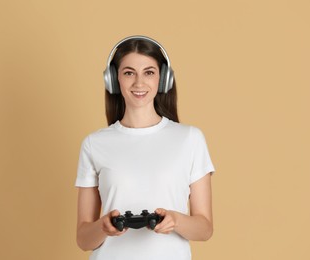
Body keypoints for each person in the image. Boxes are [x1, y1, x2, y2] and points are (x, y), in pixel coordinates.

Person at [75, 35, 215, 260]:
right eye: (129, 73)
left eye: (149, 72)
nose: (139, 83)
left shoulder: (190, 139)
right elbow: (83, 239)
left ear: (163, 79)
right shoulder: (94, 144)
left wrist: (175, 220)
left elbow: (205, 228)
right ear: (114, 79)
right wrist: (104, 226)